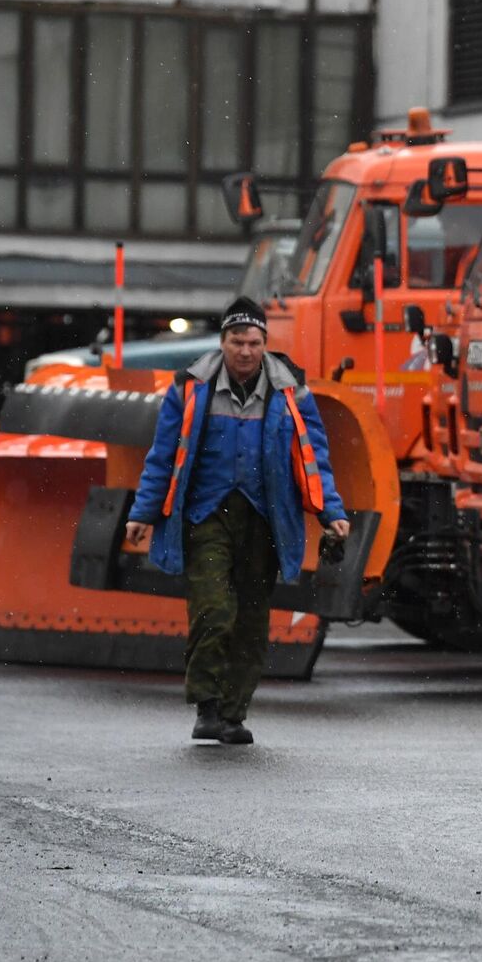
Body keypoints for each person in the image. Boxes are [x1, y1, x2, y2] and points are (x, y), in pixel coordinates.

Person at [124, 297, 350, 745]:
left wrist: (332, 513)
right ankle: (206, 705)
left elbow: (313, 459)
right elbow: (162, 456)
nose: (245, 351)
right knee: (215, 610)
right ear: (222, 342)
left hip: (264, 519)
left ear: (265, 344)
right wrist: (142, 513)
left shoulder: (292, 391)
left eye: (253, 342)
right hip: (206, 515)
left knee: (251, 620)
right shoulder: (190, 388)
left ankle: (232, 715)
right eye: (236, 342)